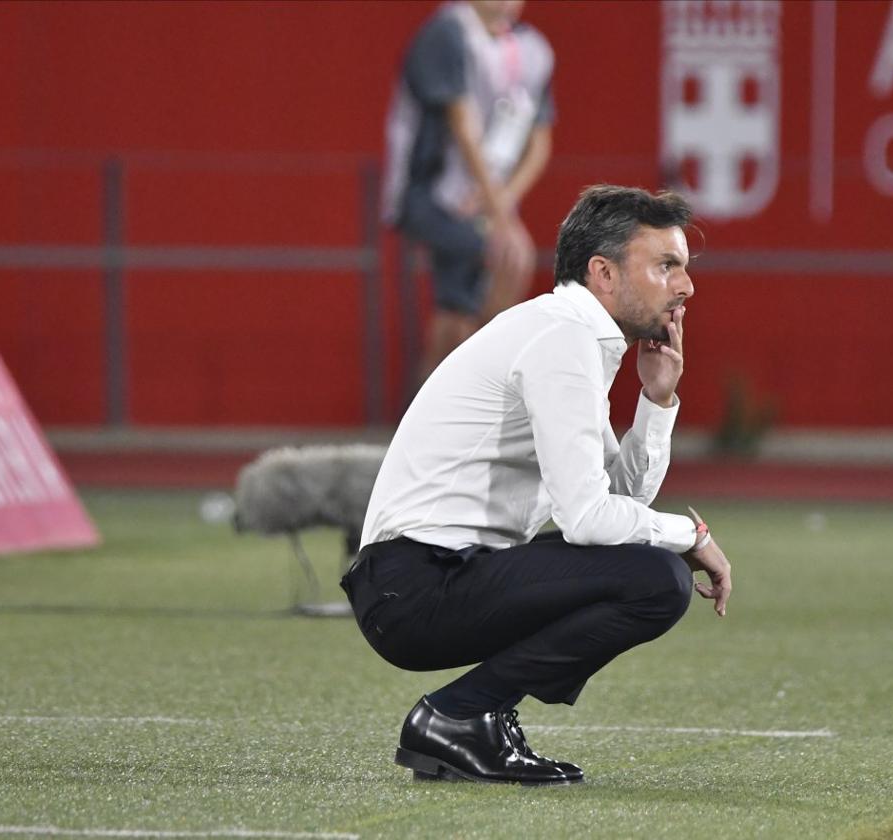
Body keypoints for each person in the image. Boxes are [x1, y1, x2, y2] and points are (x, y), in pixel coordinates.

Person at [342, 185, 733, 786]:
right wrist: (690, 535)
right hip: (415, 585)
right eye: (666, 266)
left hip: (431, 575)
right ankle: (459, 714)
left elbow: (618, 508)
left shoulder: (569, 333)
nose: (686, 287)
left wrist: (656, 399)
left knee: (648, 567)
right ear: (603, 273)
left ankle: (470, 715)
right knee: (657, 579)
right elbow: (588, 521)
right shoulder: (562, 338)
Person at [381, 0, 555, 387]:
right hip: (428, 192)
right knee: (497, 254)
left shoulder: (534, 51)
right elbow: (463, 129)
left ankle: (465, 386)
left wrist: (501, 202)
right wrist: (501, 218)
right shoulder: (447, 34)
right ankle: (465, 386)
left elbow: (539, 144)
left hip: (486, 202)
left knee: (461, 309)